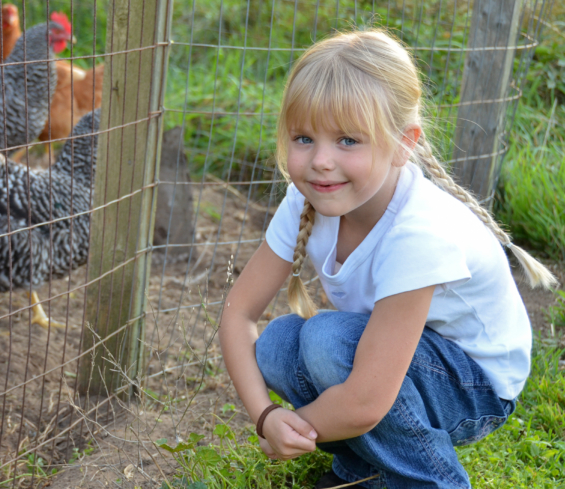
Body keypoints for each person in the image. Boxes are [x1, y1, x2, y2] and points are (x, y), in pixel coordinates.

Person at [218, 29, 557, 489]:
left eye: (348, 141)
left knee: (326, 341)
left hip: (476, 386)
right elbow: (239, 314)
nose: (320, 161)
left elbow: (366, 401)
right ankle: (368, 471)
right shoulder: (304, 203)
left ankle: (430, 481)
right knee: (279, 344)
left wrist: (291, 428)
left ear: (404, 143)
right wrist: (264, 416)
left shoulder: (418, 231)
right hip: (399, 362)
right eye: (303, 138)